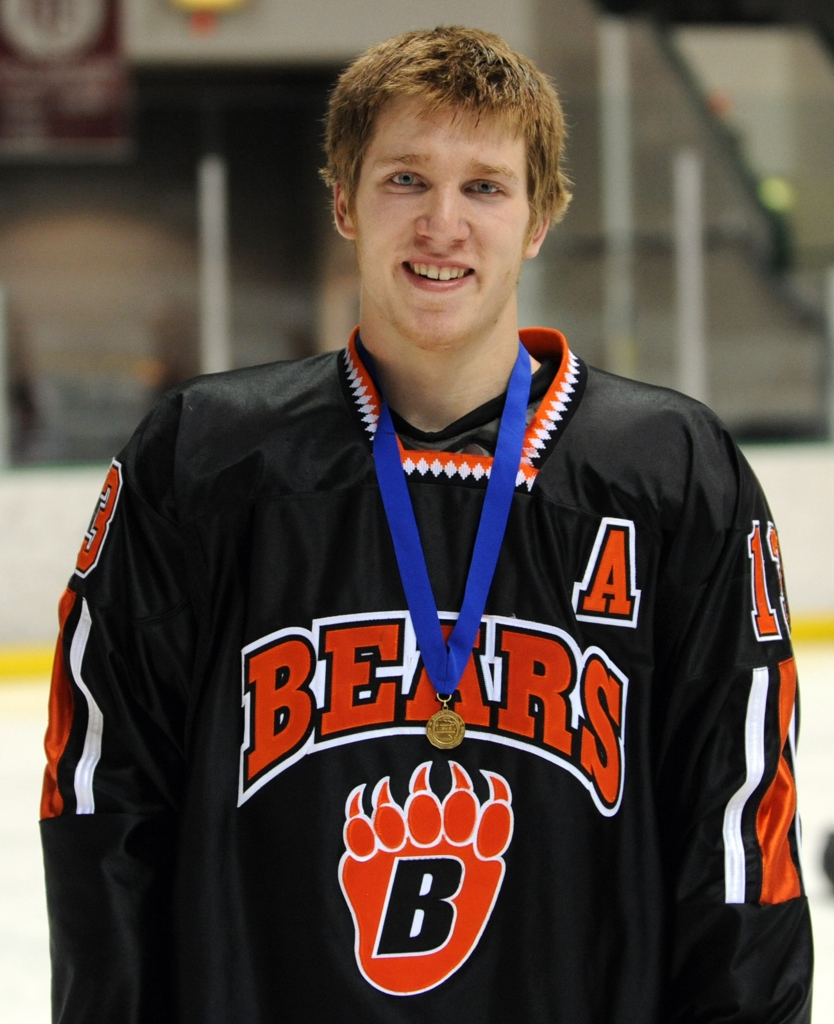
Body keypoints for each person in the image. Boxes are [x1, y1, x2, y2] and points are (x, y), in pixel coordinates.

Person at [40, 25, 812, 1023]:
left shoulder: (669, 476)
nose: (442, 223)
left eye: (485, 186)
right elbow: (104, 798)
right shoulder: (201, 463)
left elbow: (740, 826)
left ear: (539, 219)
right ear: (344, 203)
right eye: (406, 179)